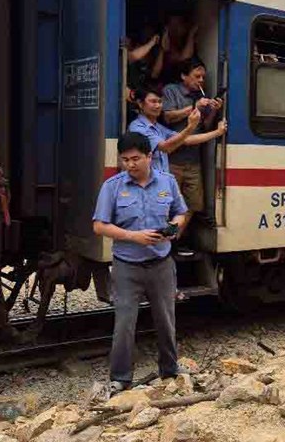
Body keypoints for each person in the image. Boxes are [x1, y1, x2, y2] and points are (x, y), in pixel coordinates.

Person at [92, 132, 188, 393]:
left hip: (161, 264)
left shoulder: (167, 182)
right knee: (124, 324)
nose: (130, 165)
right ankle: (120, 378)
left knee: (166, 321)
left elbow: (181, 212)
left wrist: (174, 227)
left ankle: (170, 370)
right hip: (126, 266)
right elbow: (99, 225)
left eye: (135, 159)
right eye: (125, 160)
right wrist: (133, 236)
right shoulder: (112, 187)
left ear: (149, 156)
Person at [162, 59, 224, 246]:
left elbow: (204, 126)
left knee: (193, 204)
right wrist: (194, 107)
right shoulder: (171, 91)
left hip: (193, 161)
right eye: (197, 76)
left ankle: (172, 239)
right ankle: (164, 242)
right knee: (167, 205)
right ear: (184, 76)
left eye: (203, 77)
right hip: (171, 160)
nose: (201, 80)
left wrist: (212, 112)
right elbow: (168, 116)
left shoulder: (201, 96)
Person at [128, 86, 227, 173]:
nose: (158, 106)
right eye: (153, 102)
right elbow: (166, 147)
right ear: (140, 104)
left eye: (160, 102)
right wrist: (191, 126)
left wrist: (217, 132)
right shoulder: (137, 127)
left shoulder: (158, 127)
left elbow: (186, 140)